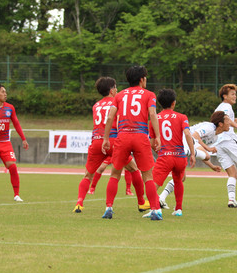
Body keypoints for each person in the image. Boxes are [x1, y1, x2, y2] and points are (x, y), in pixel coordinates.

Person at [74, 77, 146, 213]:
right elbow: (117, 120)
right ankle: (141, 202)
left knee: (87, 176)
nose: (117, 89)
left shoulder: (95, 106)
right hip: (113, 141)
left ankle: (79, 203)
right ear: (112, 90)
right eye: (116, 87)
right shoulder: (117, 101)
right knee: (133, 170)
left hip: (96, 142)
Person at [101, 65, 163, 220]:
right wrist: (158, 137)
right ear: (142, 79)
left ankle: (108, 207)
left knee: (115, 173)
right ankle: (155, 210)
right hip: (140, 136)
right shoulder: (149, 95)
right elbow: (153, 115)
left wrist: (106, 138)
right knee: (147, 176)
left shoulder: (119, 95)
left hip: (122, 136)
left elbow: (110, 118)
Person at [157, 111, 229, 208]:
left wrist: (212, 166)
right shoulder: (210, 127)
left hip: (189, 145)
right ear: (220, 123)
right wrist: (207, 149)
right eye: (228, 120)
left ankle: (161, 198)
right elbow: (194, 136)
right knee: (207, 155)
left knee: (181, 177)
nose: (230, 123)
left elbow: (199, 150)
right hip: (184, 139)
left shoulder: (215, 138)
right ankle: (186, 151)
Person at [144, 89, 195, 217]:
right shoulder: (182, 117)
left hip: (165, 156)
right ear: (174, 103)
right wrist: (193, 154)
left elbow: (151, 142)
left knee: (152, 184)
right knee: (178, 180)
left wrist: (158, 150)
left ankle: (155, 209)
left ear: (160, 103)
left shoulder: (154, 119)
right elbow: (188, 134)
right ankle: (178, 209)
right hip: (180, 156)